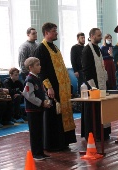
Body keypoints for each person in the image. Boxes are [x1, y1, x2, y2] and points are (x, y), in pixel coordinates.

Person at [34, 22, 76, 151]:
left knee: (62, 115)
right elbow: (42, 71)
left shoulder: (55, 47)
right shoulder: (41, 48)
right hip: (52, 87)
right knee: (52, 115)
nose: (56, 33)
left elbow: (62, 68)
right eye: (53, 31)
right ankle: (53, 144)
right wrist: (48, 87)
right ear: (46, 33)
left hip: (62, 87)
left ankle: (63, 141)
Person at [81, 28, 110, 141]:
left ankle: (103, 132)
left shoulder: (97, 48)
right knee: (93, 111)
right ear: (92, 36)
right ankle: (94, 133)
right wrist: (92, 85)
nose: (100, 37)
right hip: (93, 84)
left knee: (102, 109)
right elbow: (86, 70)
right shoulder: (87, 50)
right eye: (98, 35)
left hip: (102, 82)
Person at [22, 57, 51, 160]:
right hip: (32, 110)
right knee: (35, 132)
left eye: (39, 64)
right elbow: (28, 95)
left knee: (39, 131)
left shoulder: (37, 78)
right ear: (30, 67)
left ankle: (40, 152)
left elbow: (42, 92)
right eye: (37, 65)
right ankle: (35, 153)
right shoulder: (29, 79)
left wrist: (46, 100)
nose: (40, 66)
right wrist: (41, 103)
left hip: (39, 109)